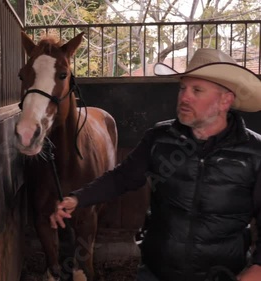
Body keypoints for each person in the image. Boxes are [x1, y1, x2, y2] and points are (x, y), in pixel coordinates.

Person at [49, 48, 261, 281]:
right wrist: (78, 198)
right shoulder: (160, 137)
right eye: (183, 88)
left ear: (225, 100)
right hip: (156, 272)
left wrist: (258, 268)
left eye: (197, 90)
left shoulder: (254, 152)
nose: (184, 97)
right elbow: (123, 177)